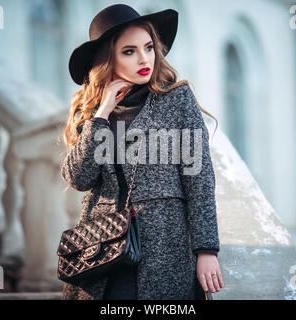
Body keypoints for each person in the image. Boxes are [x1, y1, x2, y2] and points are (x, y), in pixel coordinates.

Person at [60, 4, 224, 300]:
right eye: (129, 51)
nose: (144, 58)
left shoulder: (177, 100)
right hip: (102, 246)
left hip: (165, 246)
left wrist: (206, 249)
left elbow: (199, 179)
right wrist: (102, 113)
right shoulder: (94, 113)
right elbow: (78, 178)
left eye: (148, 48)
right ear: (107, 59)